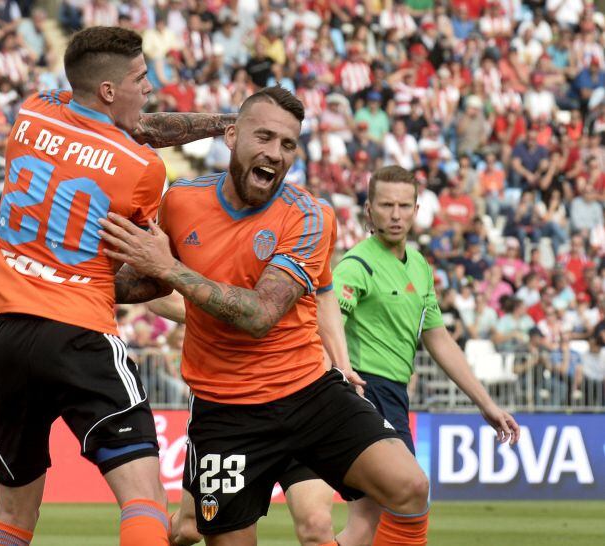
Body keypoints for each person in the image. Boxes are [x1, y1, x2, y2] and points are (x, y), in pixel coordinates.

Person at [99, 87, 431, 546]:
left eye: (288, 144)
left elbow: (260, 314)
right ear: (231, 137)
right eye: (264, 137)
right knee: (207, 534)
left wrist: (168, 267)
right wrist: (29, 280)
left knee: (409, 485)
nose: (275, 154)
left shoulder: (310, 216)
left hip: (308, 394)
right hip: (223, 412)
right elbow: (146, 283)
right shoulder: (180, 200)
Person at [0, 26, 237, 546]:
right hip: (80, 335)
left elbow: (131, 127)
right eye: (141, 78)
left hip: (10, 335)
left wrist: (225, 124)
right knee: (145, 497)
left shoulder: (33, 113)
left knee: (12, 517)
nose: (149, 87)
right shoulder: (142, 169)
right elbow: (149, 276)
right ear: (109, 90)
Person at [331, 165, 521, 546]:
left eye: (404, 205)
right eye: (386, 205)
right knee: (411, 493)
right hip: (366, 394)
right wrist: (342, 376)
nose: (396, 214)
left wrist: (485, 403)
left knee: (367, 523)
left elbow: (439, 339)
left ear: (418, 210)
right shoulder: (356, 265)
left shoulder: (419, 265)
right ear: (369, 210)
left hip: (394, 396)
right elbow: (325, 323)